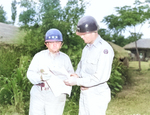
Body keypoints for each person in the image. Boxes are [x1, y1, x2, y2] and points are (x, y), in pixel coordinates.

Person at [64, 16, 114, 115]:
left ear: (93, 32)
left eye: (83, 34)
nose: (81, 37)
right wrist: (77, 75)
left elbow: (100, 77)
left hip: (96, 95)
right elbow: (81, 66)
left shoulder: (104, 49)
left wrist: (77, 81)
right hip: (85, 93)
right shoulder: (86, 48)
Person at [27, 28, 74, 115]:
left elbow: (71, 75)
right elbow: (30, 74)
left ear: (61, 44)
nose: (54, 45)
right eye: (51, 42)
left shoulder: (65, 58)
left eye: (57, 42)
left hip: (56, 95)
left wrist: (71, 79)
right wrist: (40, 78)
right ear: (46, 44)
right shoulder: (39, 56)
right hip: (39, 92)